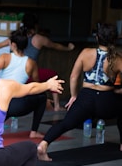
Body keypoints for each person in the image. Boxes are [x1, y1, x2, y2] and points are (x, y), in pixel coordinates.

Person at [37, 23, 122, 161]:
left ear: (97, 37)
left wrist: (74, 96)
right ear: (115, 39)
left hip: (85, 98)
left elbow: (73, 76)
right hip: (106, 102)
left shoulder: (85, 53)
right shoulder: (118, 59)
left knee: (66, 123)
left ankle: (43, 144)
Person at [0, 13, 75, 111]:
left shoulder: (15, 38)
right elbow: (55, 46)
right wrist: (68, 48)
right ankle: (57, 106)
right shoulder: (39, 39)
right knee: (54, 75)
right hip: (30, 74)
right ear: (36, 25)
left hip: (16, 79)